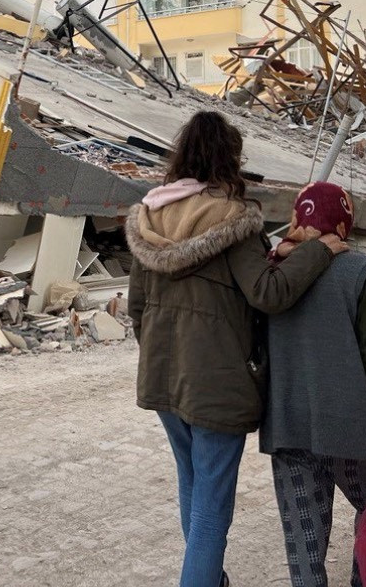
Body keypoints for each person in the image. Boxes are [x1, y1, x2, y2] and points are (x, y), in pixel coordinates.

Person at [126, 111, 347, 587]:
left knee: (193, 484)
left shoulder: (149, 215)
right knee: (211, 508)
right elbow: (268, 294)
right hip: (216, 384)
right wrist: (320, 249)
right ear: (230, 158)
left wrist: (168, 355)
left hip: (164, 377)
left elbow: (138, 308)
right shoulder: (235, 221)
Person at [260, 181, 366, 587]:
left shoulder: (271, 273)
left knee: (304, 550)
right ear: (344, 222)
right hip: (351, 431)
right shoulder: (358, 271)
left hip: (287, 426)